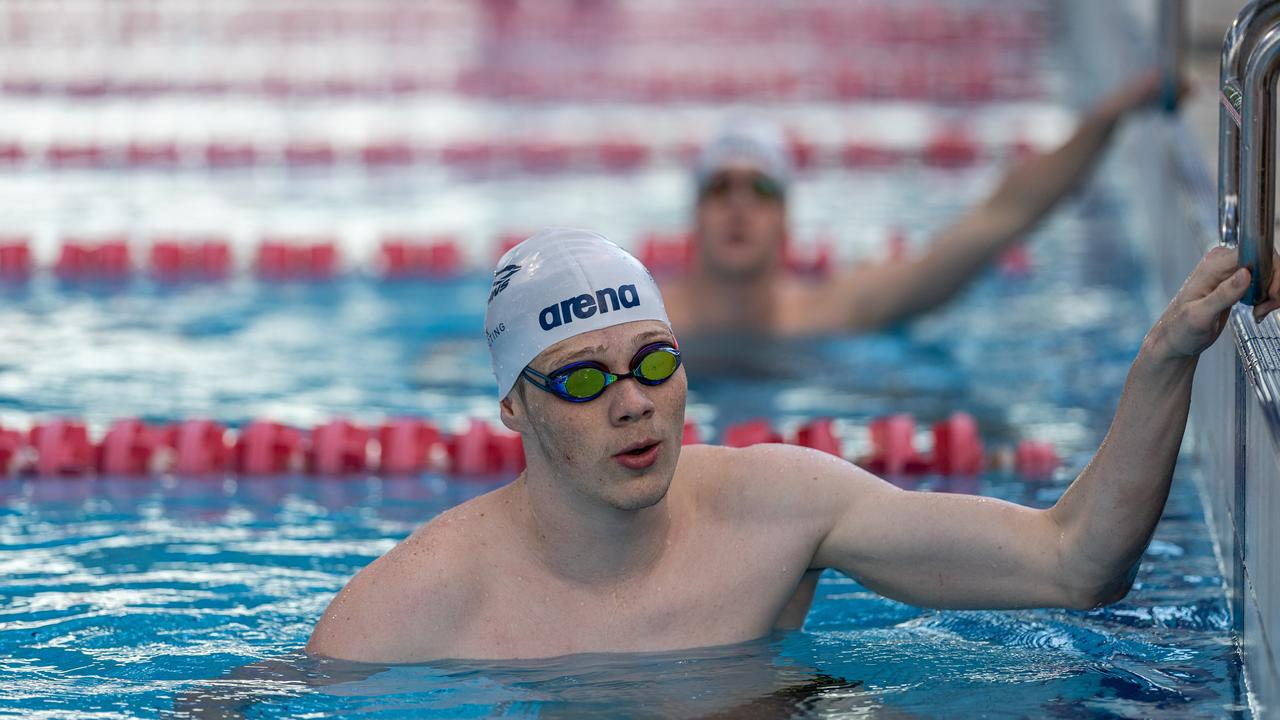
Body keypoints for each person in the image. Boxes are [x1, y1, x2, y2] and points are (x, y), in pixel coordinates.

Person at [306, 227, 1280, 663]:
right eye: (586, 379)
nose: (634, 405)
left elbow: (1076, 566)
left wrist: (1162, 361)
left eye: (652, 363)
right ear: (514, 408)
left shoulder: (778, 507)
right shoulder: (412, 608)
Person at [661, 72, 1177, 335]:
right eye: (719, 188)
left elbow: (999, 219)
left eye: (762, 190)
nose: (739, 205)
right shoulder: (650, 326)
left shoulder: (838, 310)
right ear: (694, 216)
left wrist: (1105, 119)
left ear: (786, 220)